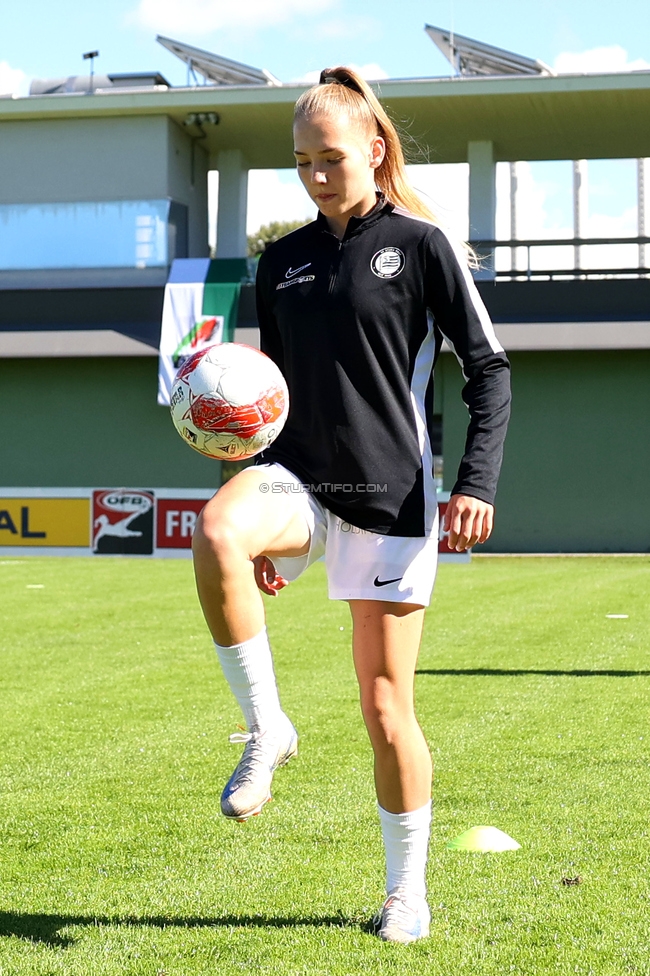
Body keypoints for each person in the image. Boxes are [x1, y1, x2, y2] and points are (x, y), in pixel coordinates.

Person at [192, 66, 511, 945]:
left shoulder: (421, 244)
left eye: (330, 158)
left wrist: (475, 484)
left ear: (373, 150)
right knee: (216, 529)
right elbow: (269, 395)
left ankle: (407, 892)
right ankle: (268, 728)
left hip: (389, 497)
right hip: (297, 481)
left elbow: (489, 369)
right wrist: (260, 516)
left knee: (383, 707)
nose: (316, 176)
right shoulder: (281, 262)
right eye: (301, 162)